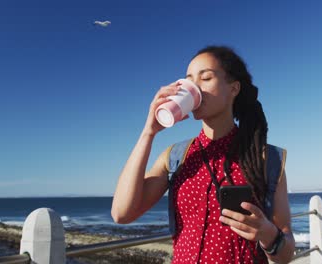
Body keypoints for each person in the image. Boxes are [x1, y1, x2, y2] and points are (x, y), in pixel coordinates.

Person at [111, 46, 295, 263]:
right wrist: (148, 132)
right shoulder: (176, 156)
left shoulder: (266, 158)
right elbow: (121, 214)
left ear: (234, 88)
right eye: (188, 80)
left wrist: (267, 234)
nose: (194, 87)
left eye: (205, 78)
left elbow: (285, 254)